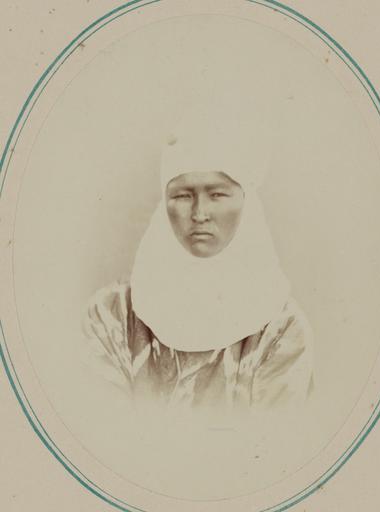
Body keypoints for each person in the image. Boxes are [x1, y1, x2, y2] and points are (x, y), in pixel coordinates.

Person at [83, 105, 313, 413]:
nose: (200, 213)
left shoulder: (281, 329)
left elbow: (274, 437)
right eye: (183, 195)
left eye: (217, 195)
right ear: (164, 202)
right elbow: (101, 429)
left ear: (246, 202)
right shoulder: (112, 316)